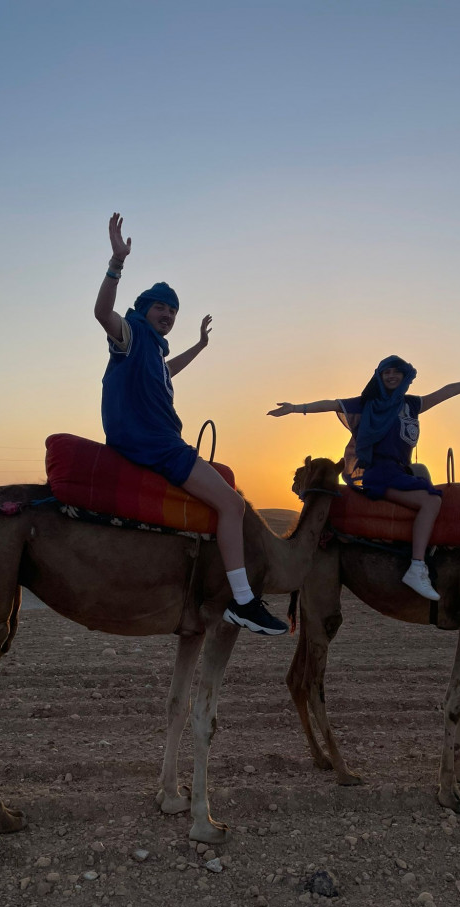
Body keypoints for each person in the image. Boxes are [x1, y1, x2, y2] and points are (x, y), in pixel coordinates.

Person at [94, 212, 288, 635]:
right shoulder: (131, 336)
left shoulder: (153, 355)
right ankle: (242, 600)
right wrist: (116, 263)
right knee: (233, 504)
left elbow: (168, 370)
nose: (167, 313)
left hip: (153, 441)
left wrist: (199, 346)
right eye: (160, 306)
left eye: (173, 309)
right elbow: (102, 312)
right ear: (145, 310)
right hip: (156, 446)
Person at [268, 356, 460, 600]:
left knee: (437, 496)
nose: (391, 376)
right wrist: (296, 408)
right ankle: (417, 568)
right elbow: (333, 404)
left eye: (396, 372)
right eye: (386, 373)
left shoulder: (412, 404)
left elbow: (445, 392)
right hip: (380, 473)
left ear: (405, 376)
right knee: (432, 502)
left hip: (401, 472)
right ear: (379, 376)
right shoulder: (367, 404)